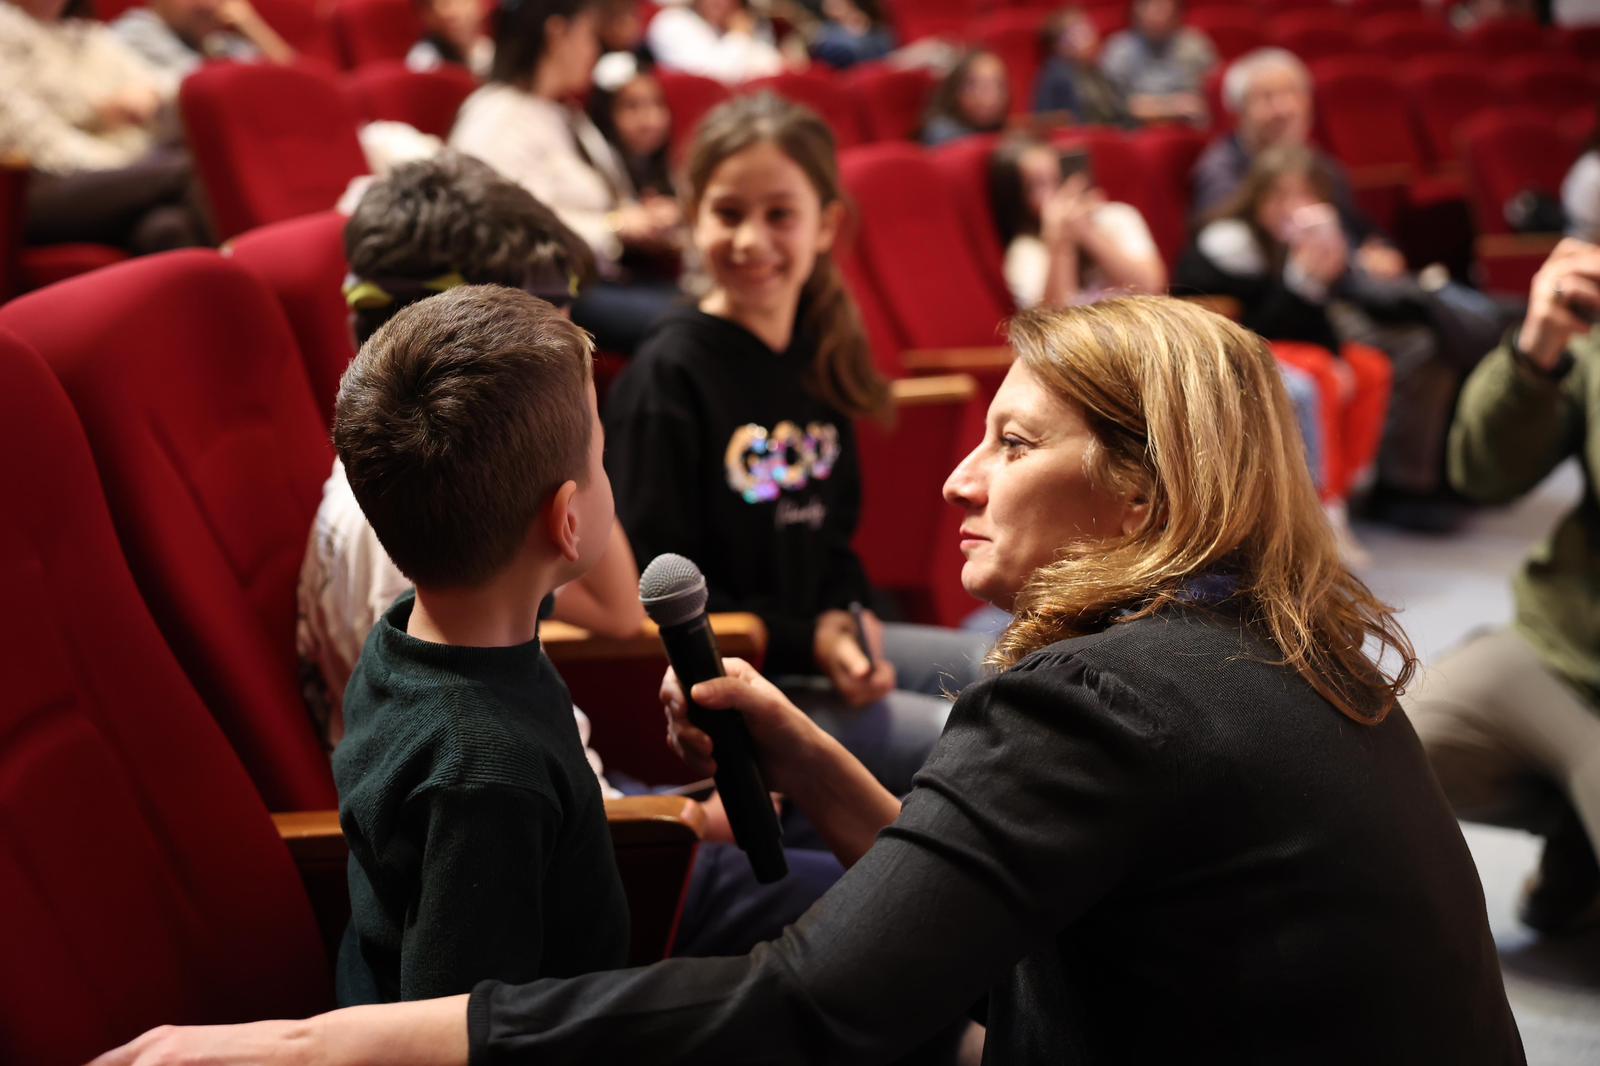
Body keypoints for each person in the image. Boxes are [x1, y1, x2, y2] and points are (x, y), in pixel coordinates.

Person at [94, 296, 1527, 1066]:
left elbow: (816, 1006)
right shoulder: (1272, 638)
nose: (957, 479)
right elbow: (993, 906)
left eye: (1014, 444)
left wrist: (329, 1045)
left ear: (1147, 494)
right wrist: (825, 767)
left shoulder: (1108, 700)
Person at [308, 151, 847, 963]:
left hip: (597, 821)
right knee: (883, 910)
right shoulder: (479, 758)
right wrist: (684, 819)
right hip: (622, 863)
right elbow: (478, 1000)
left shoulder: (430, 574)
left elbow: (617, 610)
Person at [605, 94, 990, 797]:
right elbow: (659, 589)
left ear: (826, 226)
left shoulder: (818, 352)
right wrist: (811, 639)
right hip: (742, 678)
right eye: (728, 214)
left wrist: (848, 622)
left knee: (1016, 669)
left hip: (820, 648)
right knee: (981, 743)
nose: (751, 241)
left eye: (779, 214)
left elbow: (833, 536)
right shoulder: (668, 376)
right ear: (694, 218)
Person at [323, 285, 631, 1007]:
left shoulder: (409, 629)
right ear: (566, 521)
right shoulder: (486, 780)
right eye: (600, 456)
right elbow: (466, 1022)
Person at [1406, 239, 1600, 935]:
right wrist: (1536, 353)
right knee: (1386, 755)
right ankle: (1578, 829)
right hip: (1564, 646)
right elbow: (1483, 474)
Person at [1177, 143, 1485, 533]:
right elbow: (1256, 325)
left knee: (1368, 367)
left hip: (1285, 340)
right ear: (1257, 196)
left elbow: (1315, 322)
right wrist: (1302, 282)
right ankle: (1322, 505)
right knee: (1320, 373)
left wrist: (1332, 327)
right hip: (1229, 345)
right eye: (1281, 196)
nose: (1293, 208)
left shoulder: (1299, 241)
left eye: (1305, 196)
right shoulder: (1231, 244)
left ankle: (1348, 488)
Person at [449, 0, 682, 354]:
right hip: (547, 297)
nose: (593, 50)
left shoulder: (562, 112)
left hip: (599, 278)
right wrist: (617, 228)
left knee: (711, 307)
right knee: (694, 324)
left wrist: (642, 219)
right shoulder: (497, 118)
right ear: (557, 33)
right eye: (588, 35)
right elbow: (509, 233)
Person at [0, 0, 208, 254]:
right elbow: (31, 140)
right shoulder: (5, 28)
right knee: (188, 169)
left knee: (166, 227)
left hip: (105, 174)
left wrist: (150, 94)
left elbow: (160, 85)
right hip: (27, 191)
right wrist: (127, 162)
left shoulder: (87, 34)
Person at [987, 134, 1165, 309]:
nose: (1060, 192)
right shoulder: (1026, 250)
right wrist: (1060, 243)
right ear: (1019, 202)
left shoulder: (1117, 216)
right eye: (1039, 185)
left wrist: (1088, 232)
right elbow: (1051, 320)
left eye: (1059, 176)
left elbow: (1151, 287)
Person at [1097, 0, 1214, 126]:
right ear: (1135, 11)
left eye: (1161, 6)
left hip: (1187, 128)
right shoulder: (1119, 50)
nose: (1155, 13)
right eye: (1148, 5)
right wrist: (1172, 108)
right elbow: (1114, 106)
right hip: (1134, 130)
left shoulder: (1195, 47)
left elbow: (1208, 98)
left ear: (1177, 11)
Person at [113, 0, 293, 78]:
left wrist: (251, 25)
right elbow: (201, 88)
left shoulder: (217, 43)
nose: (208, 4)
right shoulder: (133, 34)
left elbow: (293, 83)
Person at [588, 51, 675, 200]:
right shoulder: (593, 170)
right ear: (605, 113)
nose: (650, 120)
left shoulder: (671, 169)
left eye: (657, 104)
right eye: (632, 106)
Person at [1031, 7, 1134, 128]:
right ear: (1059, 44)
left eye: (1089, 29)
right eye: (1081, 32)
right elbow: (1052, 122)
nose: (1092, 36)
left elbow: (1116, 114)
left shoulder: (1096, 72)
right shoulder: (1058, 76)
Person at [647, 0, 787, 84]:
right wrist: (739, 35)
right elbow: (716, 78)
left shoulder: (736, 24)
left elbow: (775, 67)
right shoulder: (672, 22)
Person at [918, 49, 1009, 147]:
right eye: (975, 86)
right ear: (956, 90)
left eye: (998, 85)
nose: (990, 96)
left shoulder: (1006, 130)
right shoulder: (942, 133)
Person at [405, 0, 492, 78]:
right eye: (445, 4)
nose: (454, 13)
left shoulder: (488, 50)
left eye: (463, 2)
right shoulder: (424, 59)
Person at [806, 0, 895, 71]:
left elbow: (886, 53)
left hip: (874, 69)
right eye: (828, 3)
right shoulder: (827, 30)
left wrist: (863, 28)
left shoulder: (876, 29)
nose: (831, 6)